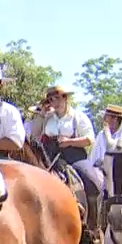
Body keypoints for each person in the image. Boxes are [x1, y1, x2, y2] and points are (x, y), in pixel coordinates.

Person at [41, 85, 103, 231]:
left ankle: (93, 224)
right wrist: (41, 116)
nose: (54, 103)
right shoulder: (48, 119)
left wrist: (69, 142)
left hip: (74, 156)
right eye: (50, 100)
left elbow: (89, 139)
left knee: (92, 182)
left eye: (57, 98)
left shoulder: (78, 117)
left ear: (65, 98)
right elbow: (37, 136)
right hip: (50, 157)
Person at [89, 104, 122, 169]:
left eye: (106, 117)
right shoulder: (101, 134)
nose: (104, 120)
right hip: (100, 171)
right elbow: (93, 157)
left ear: (115, 119)